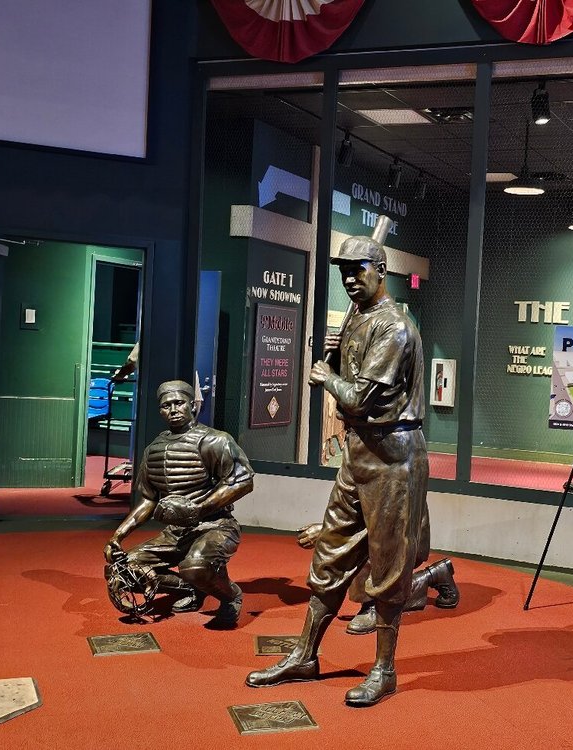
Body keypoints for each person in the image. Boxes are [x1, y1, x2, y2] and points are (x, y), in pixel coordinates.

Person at [246, 217, 434, 707]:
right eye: (344, 271)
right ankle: (305, 654)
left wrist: (325, 378)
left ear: (381, 271)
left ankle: (384, 670)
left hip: (393, 456)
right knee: (330, 552)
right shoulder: (359, 317)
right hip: (359, 453)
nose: (350, 278)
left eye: (359, 269)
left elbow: (358, 399)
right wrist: (334, 360)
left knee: (388, 568)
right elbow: (346, 376)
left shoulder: (394, 327)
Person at [103, 380, 254, 628]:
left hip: (216, 526)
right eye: (166, 406)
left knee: (195, 566)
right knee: (125, 569)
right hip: (175, 533)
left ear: (192, 405)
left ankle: (231, 596)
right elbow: (149, 499)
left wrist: (200, 508)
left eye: (179, 403)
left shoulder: (215, 440)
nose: (173, 410)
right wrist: (117, 536)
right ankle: (191, 589)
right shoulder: (153, 449)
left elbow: (242, 481)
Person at [296, 522, 459, 635]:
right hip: (383, 530)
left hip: (400, 534)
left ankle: (373, 603)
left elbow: (386, 519)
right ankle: (435, 574)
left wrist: (330, 532)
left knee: (357, 548)